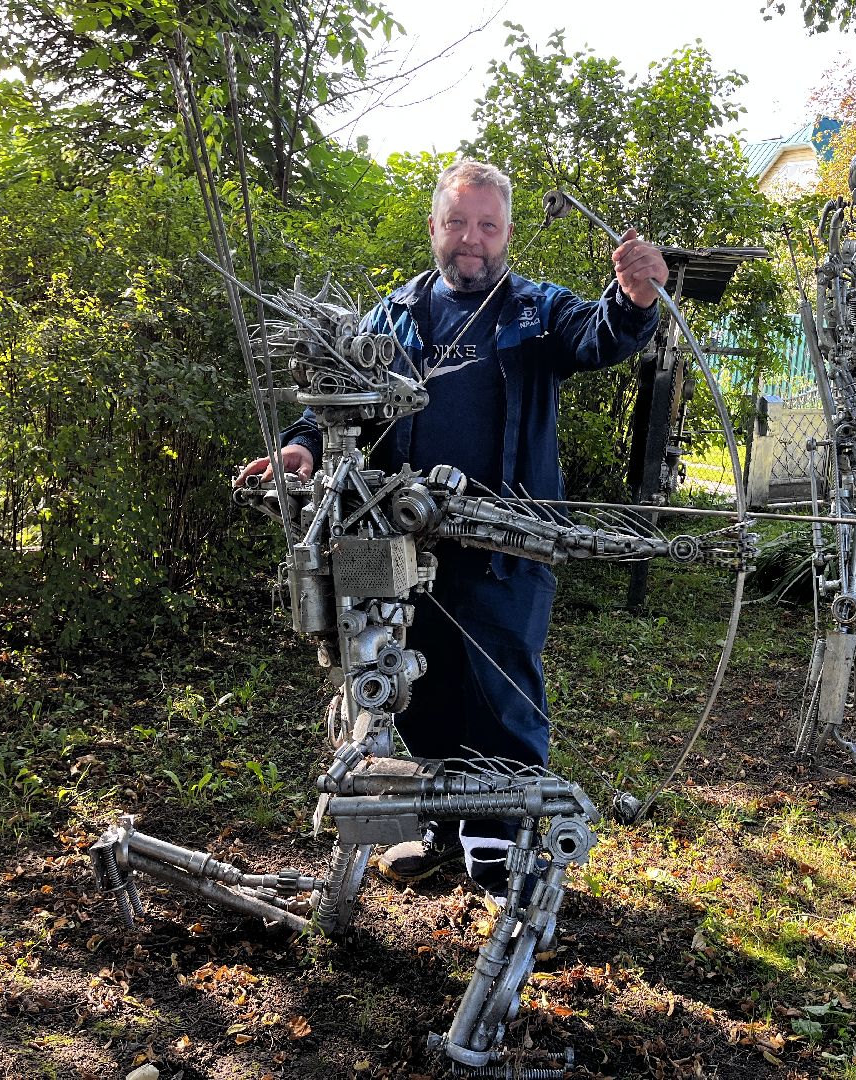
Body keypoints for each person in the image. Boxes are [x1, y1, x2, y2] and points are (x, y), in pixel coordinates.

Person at [236, 159, 668, 897]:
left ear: (507, 235)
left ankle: (504, 851)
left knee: (501, 696)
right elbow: (338, 399)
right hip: (400, 548)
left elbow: (599, 336)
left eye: (489, 226)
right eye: (459, 223)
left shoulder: (535, 309)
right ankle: (440, 828)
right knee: (414, 689)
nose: (473, 240)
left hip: (504, 548)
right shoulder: (391, 316)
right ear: (435, 227)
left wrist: (631, 300)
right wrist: (302, 446)